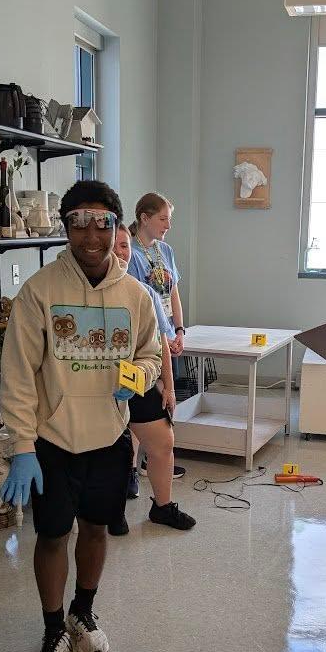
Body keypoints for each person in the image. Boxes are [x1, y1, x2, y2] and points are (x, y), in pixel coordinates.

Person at [0, 180, 162, 652]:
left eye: (102, 222)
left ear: (116, 229)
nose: (91, 234)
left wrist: (136, 378)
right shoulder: (40, 292)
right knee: (52, 536)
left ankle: (82, 611)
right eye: (79, 222)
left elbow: (151, 354)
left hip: (110, 440)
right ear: (66, 226)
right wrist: (22, 446)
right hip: (53, 444)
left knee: (95, 529)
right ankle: (52, 630)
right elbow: (19, 374)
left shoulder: (135, 296)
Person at [109, 223, 196, 535]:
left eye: (123, 246)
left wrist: (169, 388)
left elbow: (160, 342)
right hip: (97, 387)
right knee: (115, 451)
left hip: (137, 380)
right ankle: (113, 510)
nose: (119, 252)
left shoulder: (143, 293)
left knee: (163, 442)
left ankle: (162, 507)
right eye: (113, 246)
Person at [127, 192, 187, 490]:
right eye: (163, 219)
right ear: (144, 218)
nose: (168, 225)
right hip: (147, 338)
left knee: (161, 400)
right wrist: (164, 335)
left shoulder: (166, 251)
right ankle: (133, 471)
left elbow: (172, 291)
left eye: (169, 219)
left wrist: (179, 329)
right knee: (144, 405)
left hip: (167, 334)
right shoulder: (130, 254)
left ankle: (155, 460)